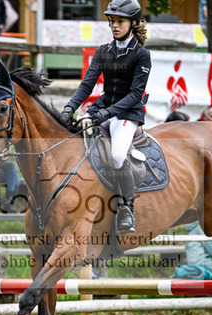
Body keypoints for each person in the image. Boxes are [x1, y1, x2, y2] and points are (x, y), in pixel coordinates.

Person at [60, 0, 151, 236]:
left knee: (118, 155)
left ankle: (127, 209)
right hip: (103, 108)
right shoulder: (103, 51)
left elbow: (135, 94)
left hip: (127, 113)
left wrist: (106, 113)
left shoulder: (142, 55)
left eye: (120, 21)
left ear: (133, 23)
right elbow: (87, 84)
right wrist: (70, 108)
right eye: (112, 21)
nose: (114, 26)